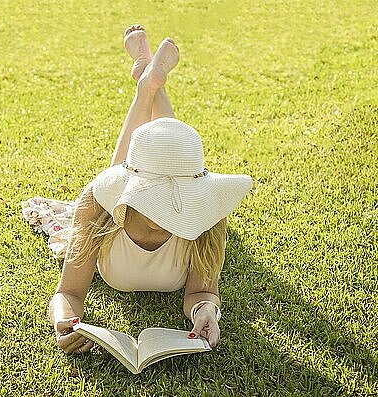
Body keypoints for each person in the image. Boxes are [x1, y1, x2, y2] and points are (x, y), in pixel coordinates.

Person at [46, 25, 253, 354]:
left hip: (134, 181)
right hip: (116, 199)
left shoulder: (205, 218)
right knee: (131, 162)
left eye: (179, 202)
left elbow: (201, 292)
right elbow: (68, 293)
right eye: (155, 202)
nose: (170, 212)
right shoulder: (99, 206)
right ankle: (148, 84)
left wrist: (206, 313)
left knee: (164, 151)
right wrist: (66, 322)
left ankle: (148, 80)